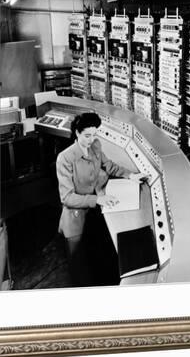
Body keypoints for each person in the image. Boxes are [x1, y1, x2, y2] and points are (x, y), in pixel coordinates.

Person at [56, 112, 146, 286]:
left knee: (99, 259)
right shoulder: (65, 158)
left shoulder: (95, 146)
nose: (91, 140)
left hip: (95, 212)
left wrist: (130, 175)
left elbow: (109, 166)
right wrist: (96, 200)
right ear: (77, 133)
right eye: (87, 136)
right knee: (79, 269)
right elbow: (67, 198)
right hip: (76, 216)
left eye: (94, 134)